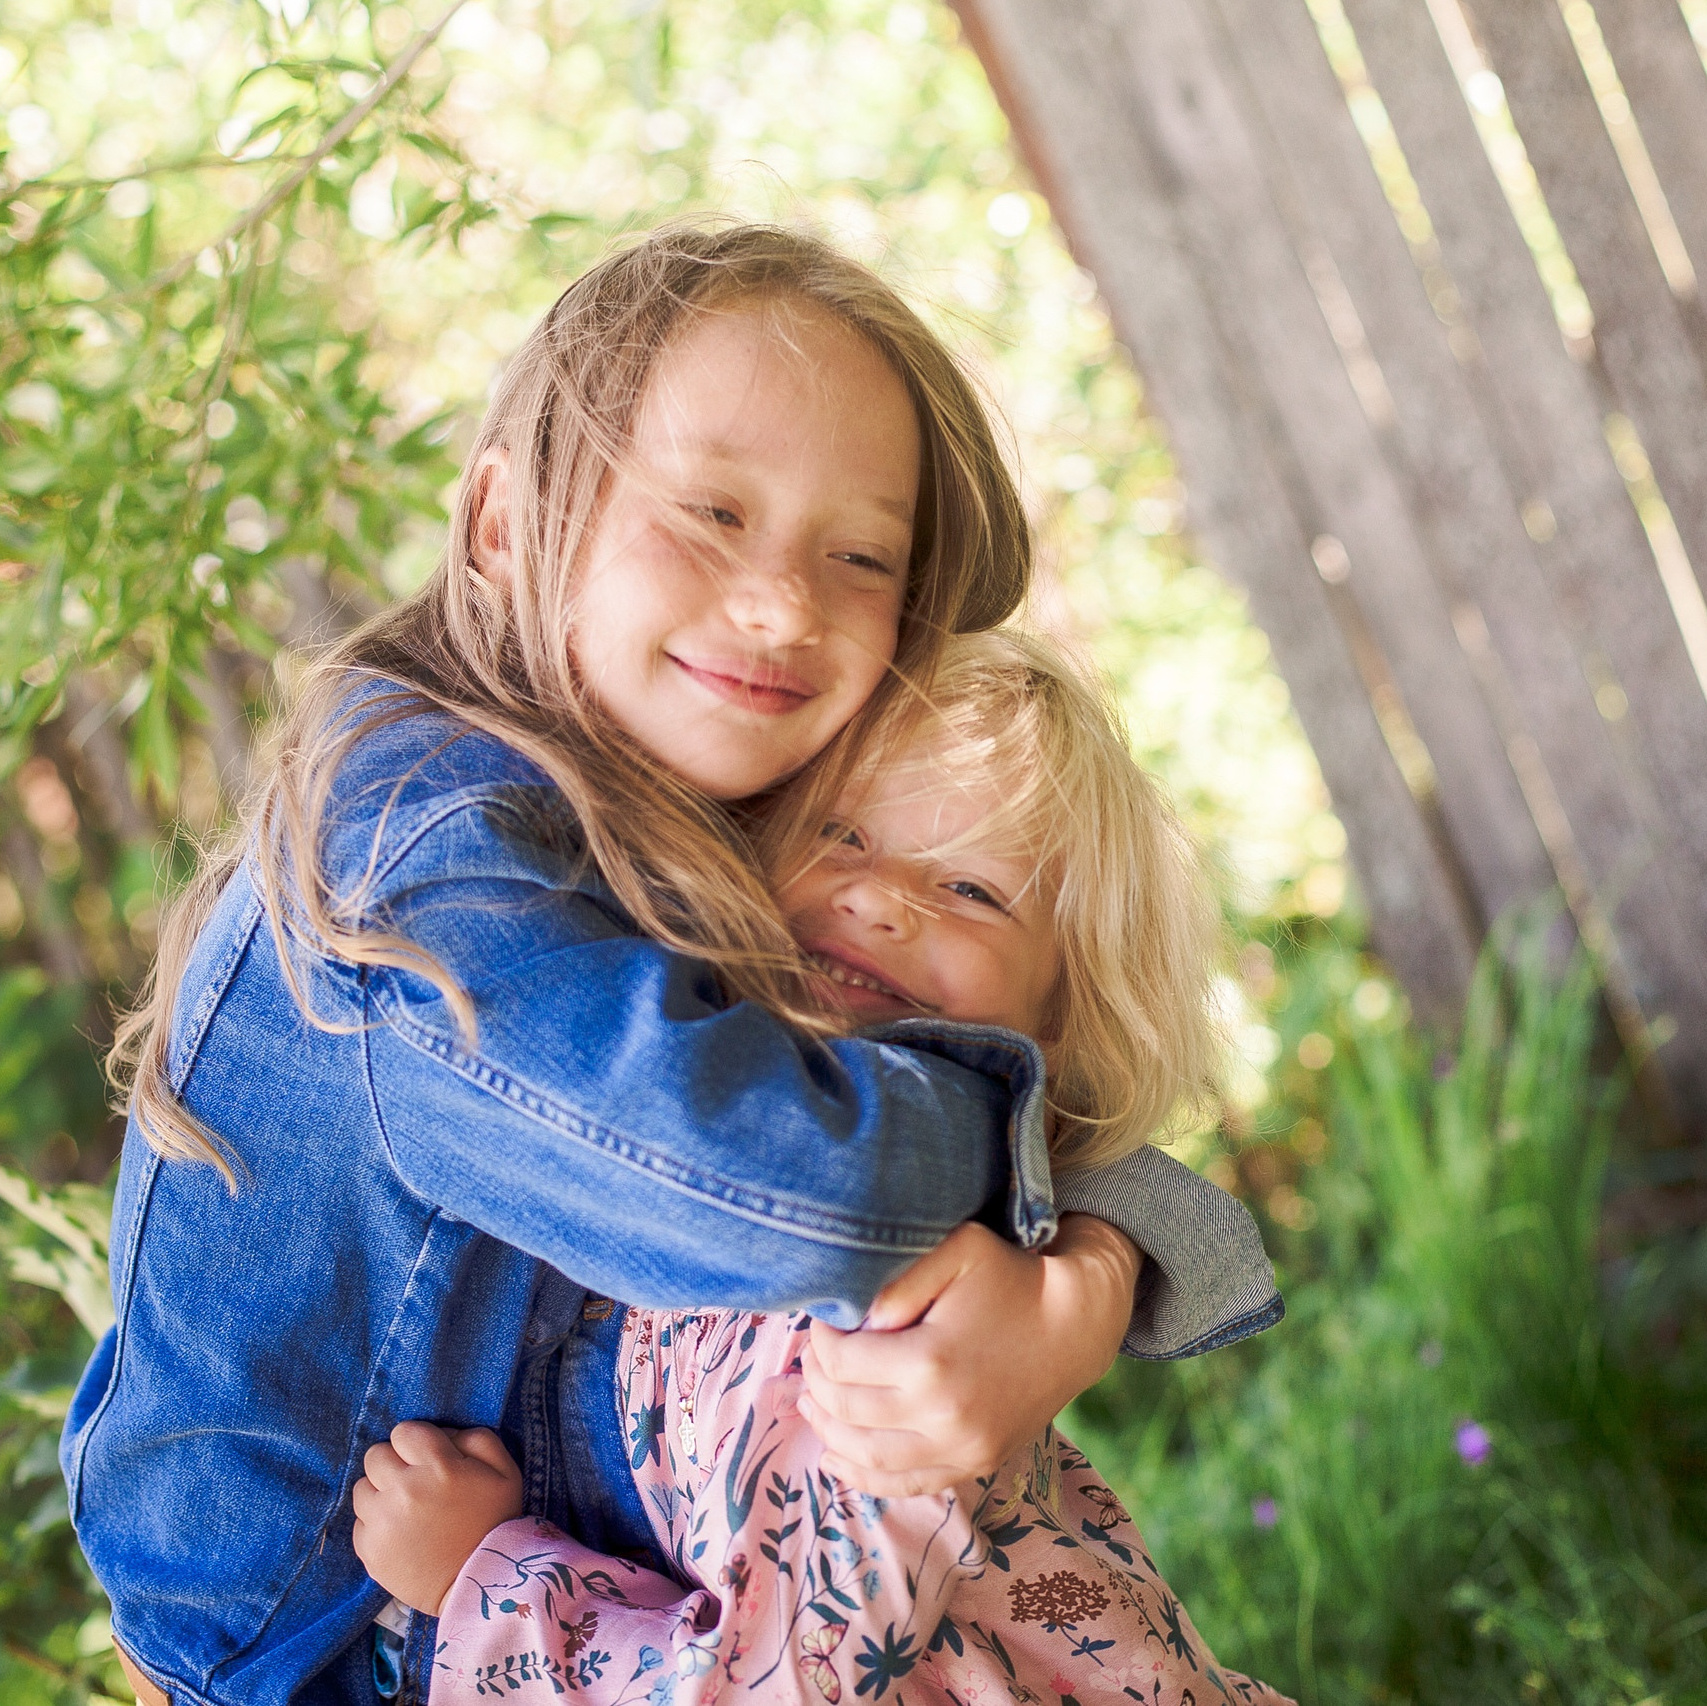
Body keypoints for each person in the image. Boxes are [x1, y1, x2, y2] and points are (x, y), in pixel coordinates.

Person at [64, 226, 1279, 1706]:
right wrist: (1040, 1223)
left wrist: (1082, 1271)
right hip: (328, 1638)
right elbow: (803, 1183)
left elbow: (1031, 1071)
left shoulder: (667, 782)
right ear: (507, 525)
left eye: (860, 556)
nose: (780, 604)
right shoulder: (425, 861)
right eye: (710, 511)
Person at [352, 631, 1290, 1706]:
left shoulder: (894, 1297)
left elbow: (766, 1686)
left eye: (974, 888)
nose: (882, 897)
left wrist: (482, 1577)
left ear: (1062, 1017)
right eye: (841, 833)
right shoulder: (724, 1140)